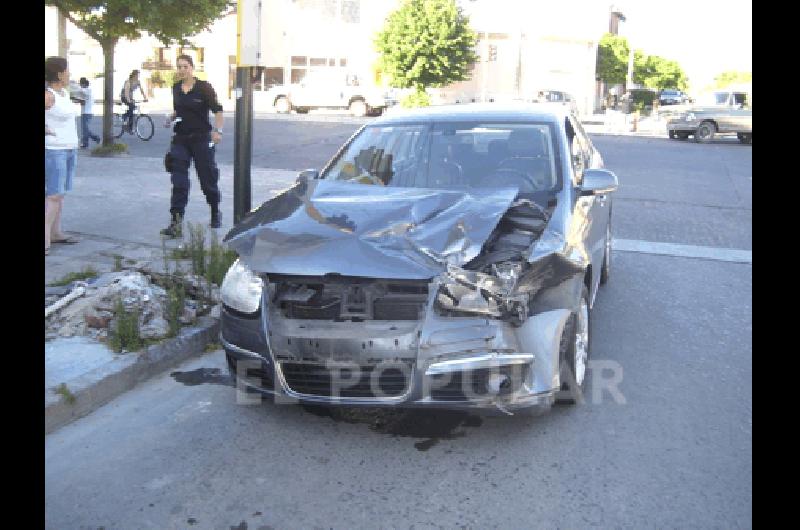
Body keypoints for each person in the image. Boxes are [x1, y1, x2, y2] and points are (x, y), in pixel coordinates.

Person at [160, 54, 224, 238]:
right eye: (179, 66)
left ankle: (215, 211)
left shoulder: (204, 88)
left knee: (207, 180)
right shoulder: (176, 89)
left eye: (185, 66)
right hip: (181, 139)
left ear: (192, 68)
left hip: (201, 139)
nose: (181, 70)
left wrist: (218, 131)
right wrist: (170, 118)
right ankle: (176, 223)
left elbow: (217, 110)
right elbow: (179, 110)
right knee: (179, 181)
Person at [45, 57, 80, 256]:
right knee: (53, 195)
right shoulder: (48, 95)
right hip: (54, 150)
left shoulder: (64, 93)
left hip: (69, 148)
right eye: (67, 71)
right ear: (59, 74)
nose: (70, 74)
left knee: (61, 194)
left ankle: (56, 232)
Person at [78, 77, 100, 148]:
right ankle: (85, 143)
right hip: (89, 112)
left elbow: (83, 102)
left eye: (80, 84)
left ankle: (95, 138)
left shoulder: (85, 91)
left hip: (86, 112)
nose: (80, 85)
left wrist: (77, 99)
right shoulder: (89, 90)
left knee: (85, 129)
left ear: (83, 84)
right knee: (85, 129)